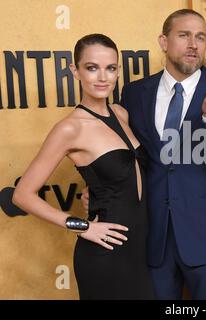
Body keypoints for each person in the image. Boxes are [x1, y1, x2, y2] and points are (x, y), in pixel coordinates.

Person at [12, 34, 155, 299]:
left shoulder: (121, 114)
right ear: (75, 71)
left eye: (110, 68)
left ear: (117, 71)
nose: (102, 77)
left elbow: (119, 176)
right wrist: (84, 227)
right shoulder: (70, 128)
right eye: (92, 68)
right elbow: (21, 195)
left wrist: (94, 187)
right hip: (104, 256)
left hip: (138, 251)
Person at [118, 9, 206, 299]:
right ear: (163, 41)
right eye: (184, 35)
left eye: (201, 37)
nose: (194, 44)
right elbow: (128, 158)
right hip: (154, 237)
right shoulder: (135, 93)